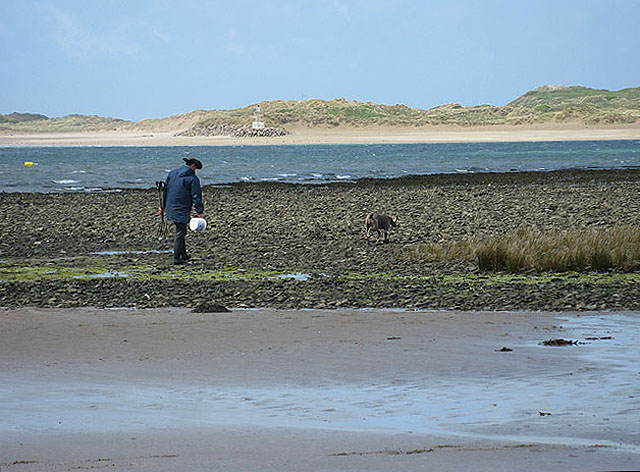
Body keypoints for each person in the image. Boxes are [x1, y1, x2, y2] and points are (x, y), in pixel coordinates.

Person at [160, 158, 204, 264]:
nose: (195, 170)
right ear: (193, 166)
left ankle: (183, 254)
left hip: (171, 206)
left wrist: (162, 206)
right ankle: (177, 258)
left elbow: (165, 190)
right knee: (180, 232)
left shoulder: (172, 173)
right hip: (182, 208)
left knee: (181, 229)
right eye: (196, 168)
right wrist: (200, 212)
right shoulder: (193, 179)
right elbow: (196, 196)